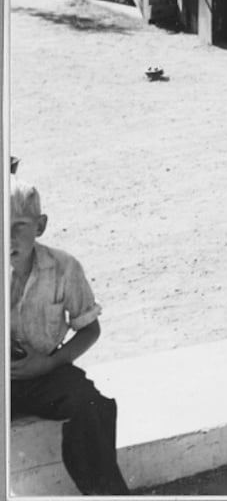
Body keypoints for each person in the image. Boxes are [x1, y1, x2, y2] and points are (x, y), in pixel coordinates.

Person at [9, 179, 130, 495]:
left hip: (45, 372)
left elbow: (89, 329)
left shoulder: (64, 268)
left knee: (91, 404)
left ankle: (107, 493)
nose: (7, 237)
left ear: (40, 226)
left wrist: (47, 365)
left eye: (18, 225)